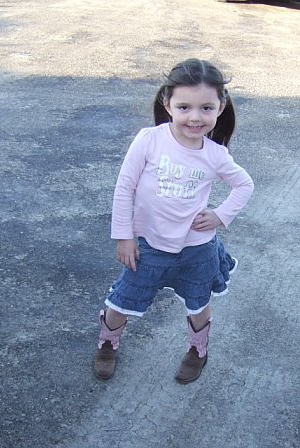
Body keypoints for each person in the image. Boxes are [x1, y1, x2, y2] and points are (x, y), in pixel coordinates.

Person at [94, 58, 254, 383]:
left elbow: (244, 184)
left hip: (197, 249)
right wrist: (124, 236)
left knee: (199, 303)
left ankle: (198, 351)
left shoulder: (215, 154)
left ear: (220, 107)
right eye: (184, 107)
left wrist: (220, 215)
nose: (195, 117)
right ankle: (107, 342)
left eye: (206, 108)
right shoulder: (149, 140)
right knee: (123, 298)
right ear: (167, 104)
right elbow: (125, 187)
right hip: (149, 246)